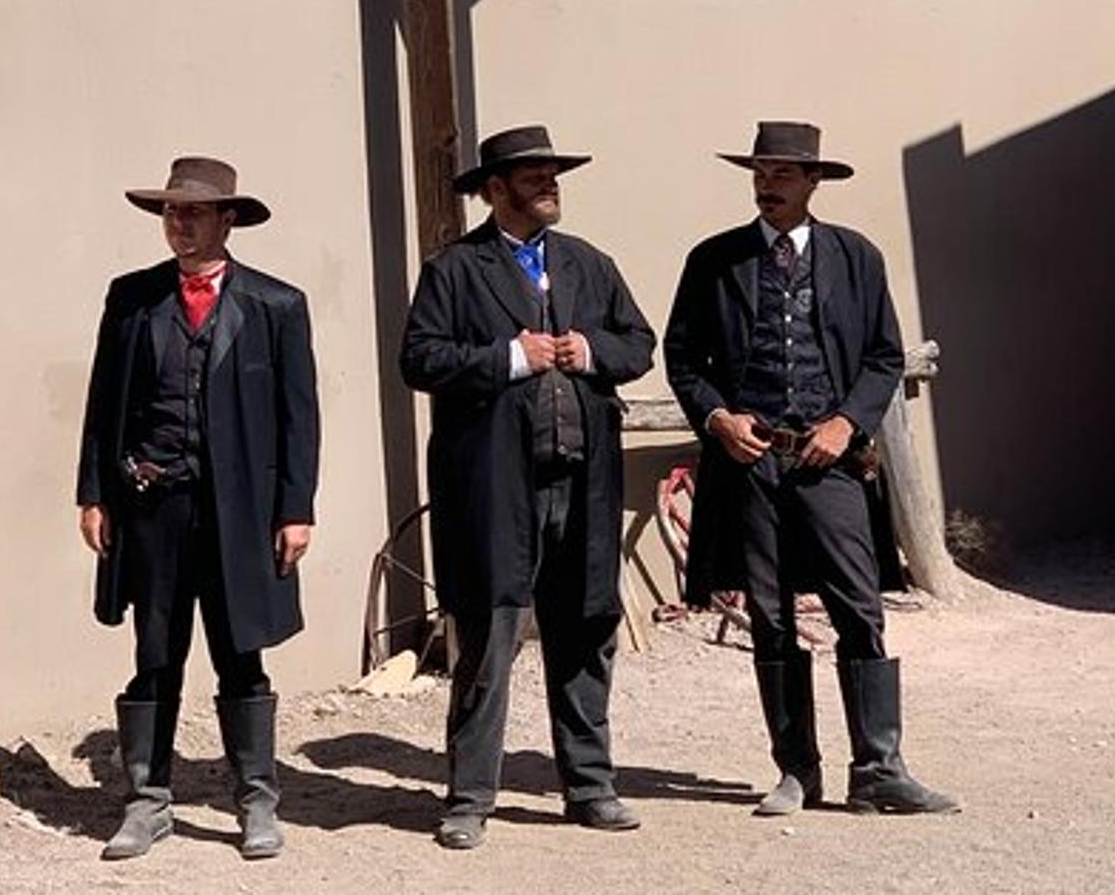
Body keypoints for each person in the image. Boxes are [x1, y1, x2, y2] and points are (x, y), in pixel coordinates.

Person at [663, 122, 957, 818]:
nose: (769, 184)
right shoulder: (715, 260)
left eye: (784, 173)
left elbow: (883, 356)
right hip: (751, 461)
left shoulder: (855, 257)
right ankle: (797, 770)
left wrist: (845, 422)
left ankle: (880, 767)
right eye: (761, 171)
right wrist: (718, 419)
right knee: (770, 612)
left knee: (859, 606)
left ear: (813, 181)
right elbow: (682, 358)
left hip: (829, 461)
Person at [399, 125, 658, 850]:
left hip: (582, 482)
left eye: (552, 172)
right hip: (495, 486)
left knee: (583, 632)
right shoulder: (453, 270)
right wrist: (509, 357)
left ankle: (589, 784)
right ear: (494, 190)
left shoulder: (588, 263)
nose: (549, 183)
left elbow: (638, 341)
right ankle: (470, 796)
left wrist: (591, 350)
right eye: (532, 174)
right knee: (486, 636)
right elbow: (419, 358)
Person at [76, 156, 320, 861]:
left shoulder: (277, 305)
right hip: (153, 508)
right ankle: (147, 801)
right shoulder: (131, 300)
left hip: (241, 513)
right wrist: (94, 491)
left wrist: (295, 508)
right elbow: (103, 406)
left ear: (227, 219)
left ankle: (256, 801)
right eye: (171, 212)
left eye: (194, 212)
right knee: (155, 654)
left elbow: (299, 417)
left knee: (240, 653)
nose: (179, 224)